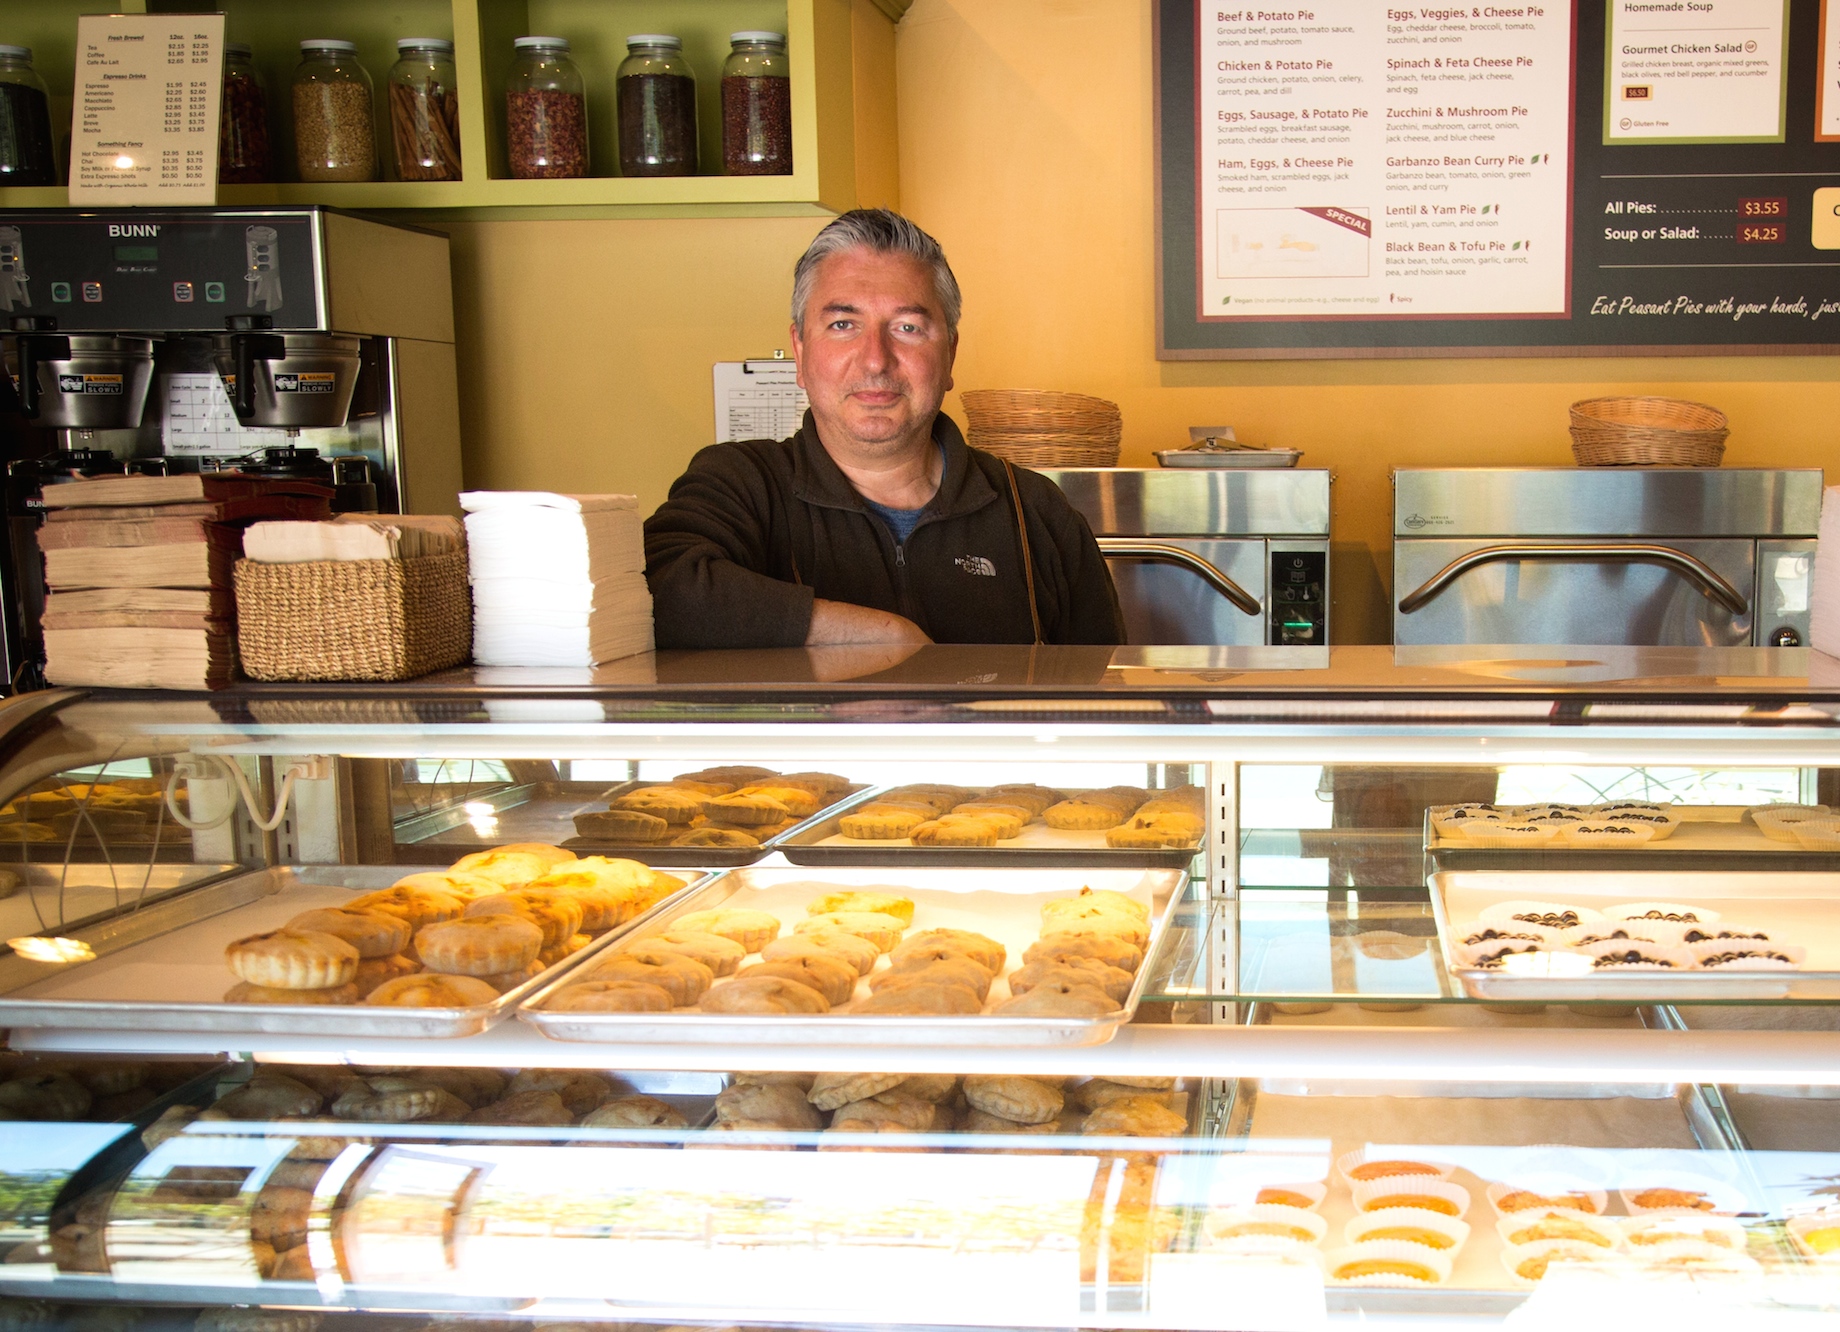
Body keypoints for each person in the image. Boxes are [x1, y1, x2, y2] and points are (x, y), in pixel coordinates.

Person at [644, 209, 1125, 649]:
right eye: (842, 325)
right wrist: (880, 635)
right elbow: (649, 591)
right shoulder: (741, 483)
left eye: (908, 328)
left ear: (950, 354)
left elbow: (1107, 707)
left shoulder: (1037, 515)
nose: (876, 359)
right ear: (800, 350)